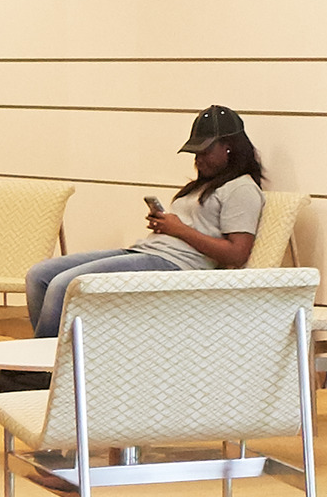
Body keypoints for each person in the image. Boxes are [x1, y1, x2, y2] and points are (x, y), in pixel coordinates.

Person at [17, 107, 266, 341]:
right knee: (40, 275)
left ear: (229, 148)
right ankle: (46, 362)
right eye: (195, 153)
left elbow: (237, 254)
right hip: (149, 252)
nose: (198, 159)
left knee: (65, 285)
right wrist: (166, 226)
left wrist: (178, 229)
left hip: (179, 266)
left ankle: (46, 371)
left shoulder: (242, 188)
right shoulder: (205, 185)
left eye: (205, 152)